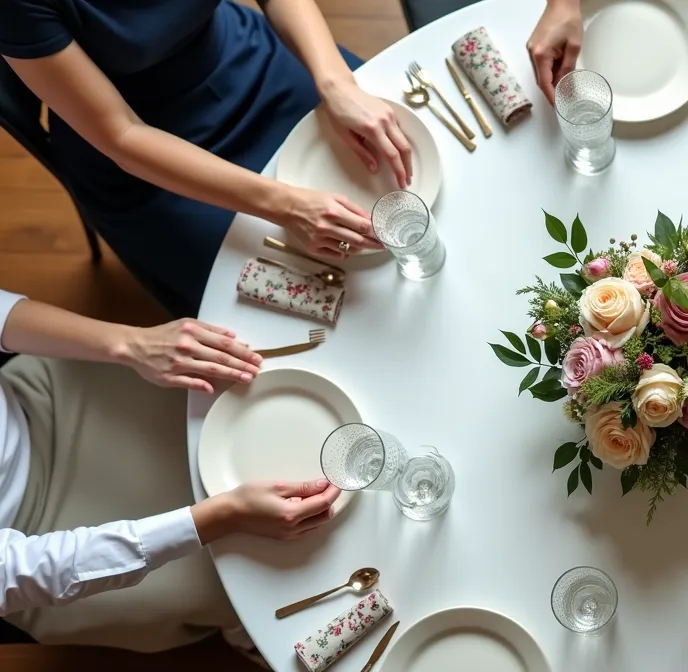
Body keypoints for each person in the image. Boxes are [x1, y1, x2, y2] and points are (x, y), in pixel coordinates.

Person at [0, 0, 416, 317]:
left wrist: (335, 82)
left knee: (409, 164)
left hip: (248, 63)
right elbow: (121, 134)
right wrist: (287, 205)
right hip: (147, 161)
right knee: (320, 303)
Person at [0, 289, 342, 655]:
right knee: (240, 584)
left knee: (248, 382)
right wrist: (219, 517)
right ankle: (252, 633)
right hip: (36, 541)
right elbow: (18, 572)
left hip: (38, 397)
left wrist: (132, 344)